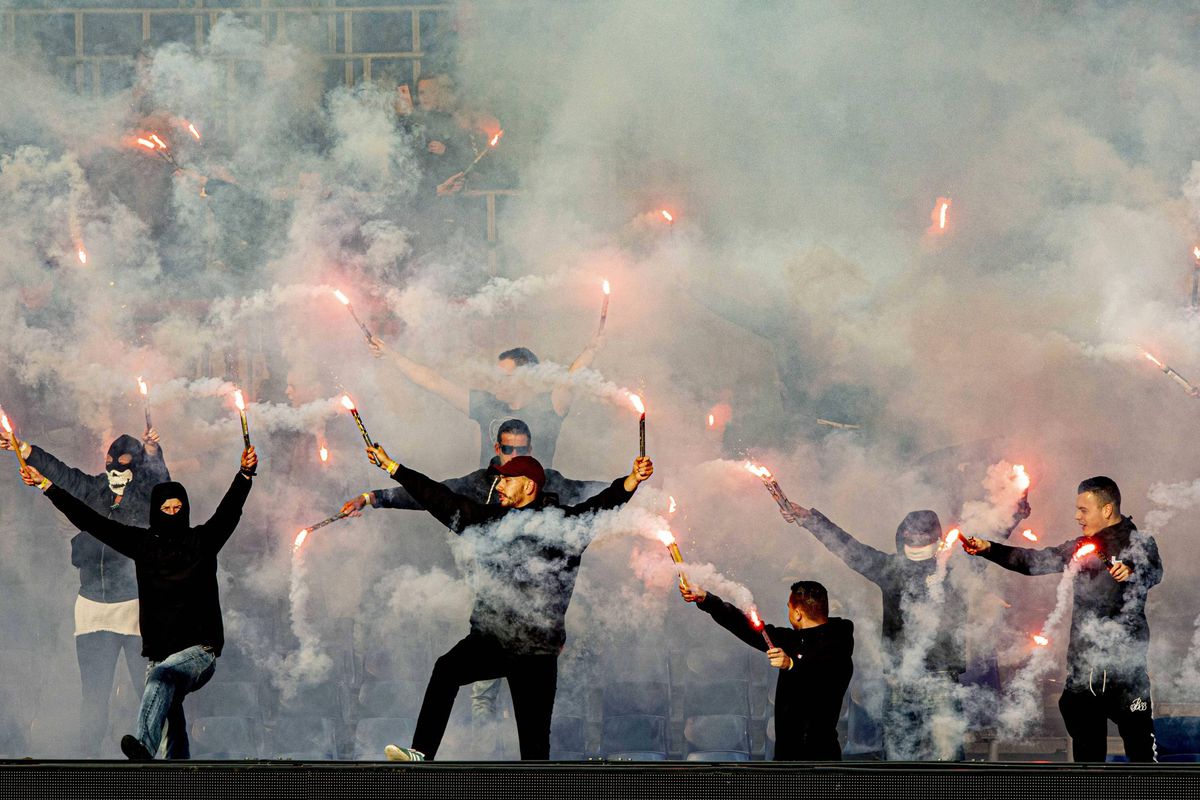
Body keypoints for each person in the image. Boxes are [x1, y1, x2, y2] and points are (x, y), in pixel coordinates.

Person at [361, 441, 654, 761]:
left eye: (507, 480)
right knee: (446, 669)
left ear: (528, 486)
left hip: (537, 648)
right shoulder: (488, 521)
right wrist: (394, 468)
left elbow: (603, 504)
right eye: (498, 479)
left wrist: (632, 481)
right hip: (491, 639)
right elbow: (440, 499)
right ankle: (421, 752)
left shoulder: (563, 526)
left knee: (535, 747)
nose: (498, 484)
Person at [339, 418, 609, 740]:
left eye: (521, 450)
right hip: (493, 610)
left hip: (534, 620)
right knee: (470, 681)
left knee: (533, 729)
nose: (513, 456)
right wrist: (375, 497)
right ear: (497, 449)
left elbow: (592, 495)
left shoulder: (545, 481)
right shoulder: (480, 484)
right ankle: (479, 746)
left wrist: (639, 489)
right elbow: (434, 496)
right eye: (508, 449)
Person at [18, 445, 258, 760]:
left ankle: (144, 747)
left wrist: (244, 474)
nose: (172, 514)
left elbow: (230, 509)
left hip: (200, 652)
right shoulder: (142, 545)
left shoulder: (204, 540)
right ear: (155, 512)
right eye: (166, 509)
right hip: (160, 655)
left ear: (185, 508)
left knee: (161, 680)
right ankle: (178, 767)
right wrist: (46, 486)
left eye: (177, 508)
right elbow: (90, 521)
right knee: (170, 709)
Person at [780, 497, 1028, 759]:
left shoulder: (944, 567)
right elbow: (848, 548)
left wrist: (1015, 512)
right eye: (912, 534)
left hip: (934, 681)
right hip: (906, 681)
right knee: (915, 765)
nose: (915, 539)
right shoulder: (901, 568)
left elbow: (989, 542)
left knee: (930, 764)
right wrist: (810, 519)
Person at [962, 476, 1162, 762]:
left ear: (1106, 509)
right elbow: (1033, 562)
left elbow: (1154, 572)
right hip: (1083, 673)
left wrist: (1133, 571)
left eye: (1083, 510)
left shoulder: (1141, 543)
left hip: (1125, 673)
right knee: (1086, 764)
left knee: (1142, 756)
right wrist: (988, 549)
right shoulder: (1082, 546)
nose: (1077, 516)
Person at [2, 426, 169, 757]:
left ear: (136, 467)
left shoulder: (147, 496)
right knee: (94, 695)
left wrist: (153, 455)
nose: (115, 469)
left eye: (124, 463)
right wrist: (25, 448)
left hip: (136, 609)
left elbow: (162, 483)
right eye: (110, 462)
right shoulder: (94, 490)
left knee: (149, 690)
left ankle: (164, 759)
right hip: (93, 611)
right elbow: (62, 474)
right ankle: (86, 764)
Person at [680, 581, 854, 760]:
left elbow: (828, 671)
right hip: (787, 756)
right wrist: (708, 600)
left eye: (789, 608)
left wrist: (792, 664)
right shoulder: (791, 640)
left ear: (798, 613)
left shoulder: (839, 641)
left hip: (821, 758)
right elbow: (746, 627)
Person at [369, 340, 603, 470]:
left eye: (507, 376)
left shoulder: (548, 408)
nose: (498, 382)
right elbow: (435, 382)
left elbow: (573, 377)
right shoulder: (487, 405)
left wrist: (592, 347)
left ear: (529, 377)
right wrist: (392, 355)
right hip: (489, 504)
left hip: (535, 509)